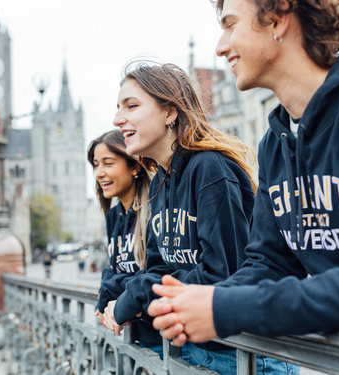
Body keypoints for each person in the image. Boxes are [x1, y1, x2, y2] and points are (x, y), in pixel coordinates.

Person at [147, 0, 339, 348]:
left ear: (278, 19)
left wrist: (226, 309)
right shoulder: (275, 143)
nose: (220, 47)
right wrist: (194, 300)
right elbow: (270, 263)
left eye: (231, 26)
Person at [106, 62, 296, 375]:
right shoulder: (160, 182)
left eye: (132, 105)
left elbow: (222, 276)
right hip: (194, 350)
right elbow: (160, 267)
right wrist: (123, 295)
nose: (117, 119)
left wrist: (136, 296)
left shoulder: (211, 169)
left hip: (243, 354)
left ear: (170, 113)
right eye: (118, 107)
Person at [87, 130, 161, 350]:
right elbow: (121, 274)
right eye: (96, 165)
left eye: (108, 163)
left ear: (135, 166)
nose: (99, 173)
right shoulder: (113, 216)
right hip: (135, 338)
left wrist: (111, 284)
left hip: (166, 342)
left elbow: (156, 276)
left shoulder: (155, 208)